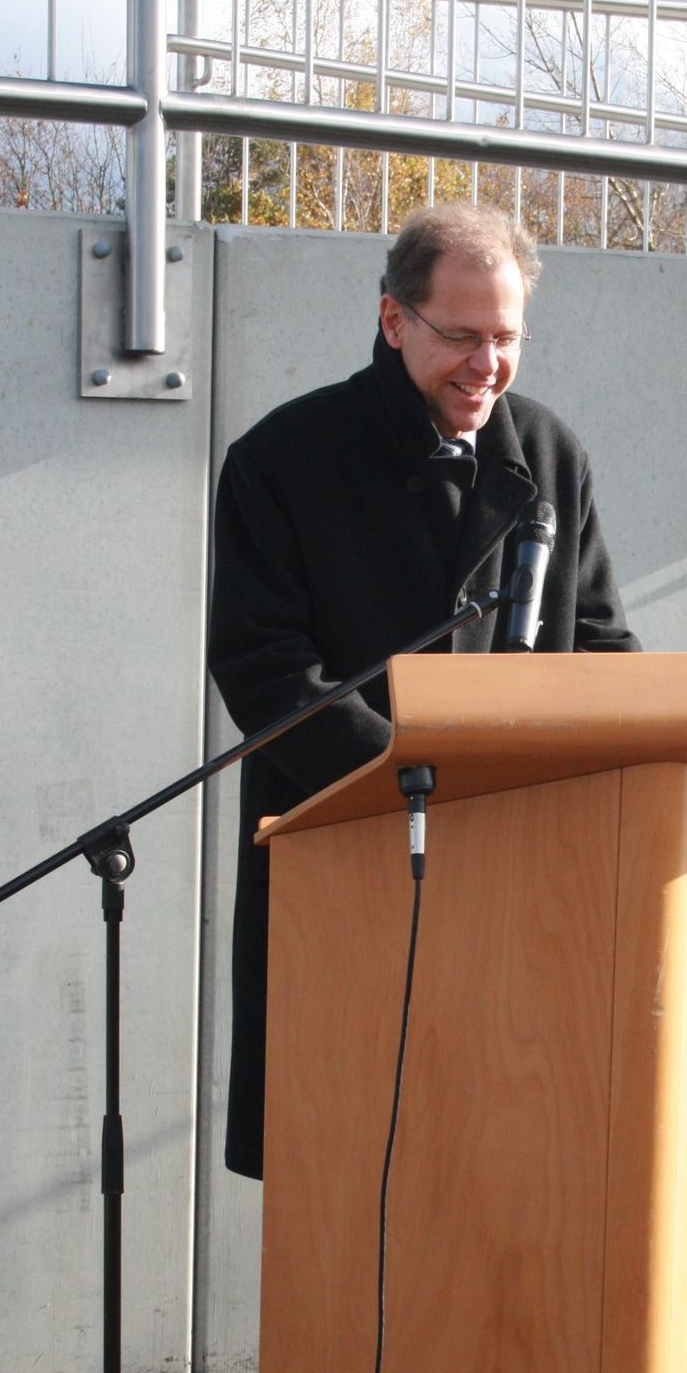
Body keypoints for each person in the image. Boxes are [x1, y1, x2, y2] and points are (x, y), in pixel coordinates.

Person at [208, 201, 640, 1181]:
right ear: (394, 318)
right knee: (349, 1161)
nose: (485, 364)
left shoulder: (548, 455)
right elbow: (264, 667)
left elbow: (604, 645)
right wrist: (415, 781)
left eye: (506, 338)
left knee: (498, 1155)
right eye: (461, 336)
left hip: (522, 881)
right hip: (343, 858)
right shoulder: (285, 459)